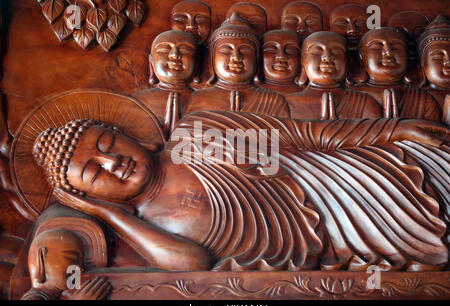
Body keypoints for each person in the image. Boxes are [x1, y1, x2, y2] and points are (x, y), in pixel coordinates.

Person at [33, 110, 449, 272]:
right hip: (338, 244)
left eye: (107, 146)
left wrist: (392, 129)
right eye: (93, 172)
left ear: (122, 132)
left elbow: (301, 136)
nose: (112, 162)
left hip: (349, 177)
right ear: (88, 195)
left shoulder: (195, 136)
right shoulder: (148, 227)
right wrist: (113, 217)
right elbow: (193, 264)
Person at [185, 13, 291, 118]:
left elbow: (282, 134)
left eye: (245, 49)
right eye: (226, 50)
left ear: (257, 58)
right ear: (212, 58)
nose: (236, 57)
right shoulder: (199, 98)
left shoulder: (274, 101)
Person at [286, 31, 382, 120]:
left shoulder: (365, 103)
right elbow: (275, 137)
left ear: (348, 61)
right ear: (303, 61)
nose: (327, 57)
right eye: (317, 52)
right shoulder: (287, 104)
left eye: (337, 51)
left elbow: (381, 136)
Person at [356, 28, 442, 122]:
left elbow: (437, 133)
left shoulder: (424, 100)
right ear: (362, 56)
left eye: (396, 47)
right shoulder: (350, 97)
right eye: (377, 47)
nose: (388, 52)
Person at [133, 30, 198, 138]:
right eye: (164, 50)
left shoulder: (204, 101)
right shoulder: (136, 103)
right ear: (151, 61)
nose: (174, 55)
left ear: (197, 63)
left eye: (185, 50)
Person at [258, 29, 302, 95]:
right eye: (271, 50)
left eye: (291, 50)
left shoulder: (312, 96)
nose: (281, 56)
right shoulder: (249, 94)